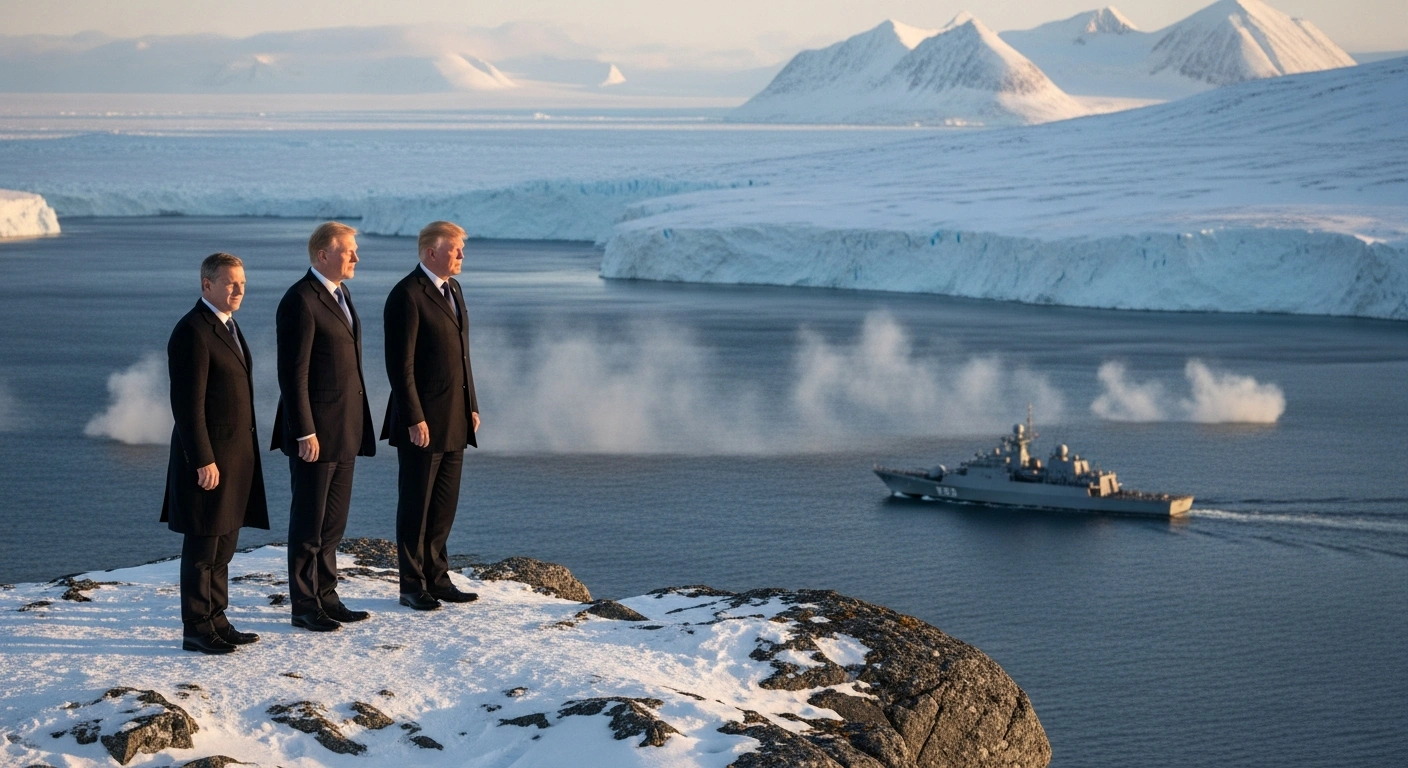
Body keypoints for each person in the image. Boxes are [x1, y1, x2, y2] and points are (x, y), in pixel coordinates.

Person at [271, 222, 378, 632]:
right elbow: (292, 375)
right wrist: (303, 431)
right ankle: (304, 605)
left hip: (345, 428)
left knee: (332, 523)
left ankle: (327, 595)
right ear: (322, 256)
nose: (355, 258)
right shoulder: (300, 300)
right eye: (348, 251)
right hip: (314, 433)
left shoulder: (341, 293)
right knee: (308, 523)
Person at [162, 252, 270, 654]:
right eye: (230, 283)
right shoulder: (193, 330)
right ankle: (196, 627)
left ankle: (217, 618)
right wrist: (203, 459)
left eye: (242, 282)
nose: (239, 290)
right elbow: (187, 405)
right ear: (207, 284)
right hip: (209, 460)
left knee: (223, 545)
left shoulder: (228, 326)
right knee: (203, 547)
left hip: (236, 457)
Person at [382, 221, 481, 611]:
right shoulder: (407, 295)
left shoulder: (453, 288)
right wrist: (413, 418)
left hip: (454, 416)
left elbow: (462, 355)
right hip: (421, 421)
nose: (461, 256)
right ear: (430, 252)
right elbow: (400, 367)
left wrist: (471, 403)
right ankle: (412, 585)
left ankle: (438, 578)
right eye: (455, 249)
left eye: (461, 250)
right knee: (416, 504)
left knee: (443, 504)